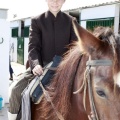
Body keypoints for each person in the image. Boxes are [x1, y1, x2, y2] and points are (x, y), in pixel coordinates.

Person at [8, 0, 77, 119]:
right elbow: (33, 47)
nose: (55, 3)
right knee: (15, 90)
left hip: (64, 70)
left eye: (59, 0)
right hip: (41, 68)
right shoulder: (37, 21)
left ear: (64, 1)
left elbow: (74, 47)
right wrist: (35, 65)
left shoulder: (71, 21)